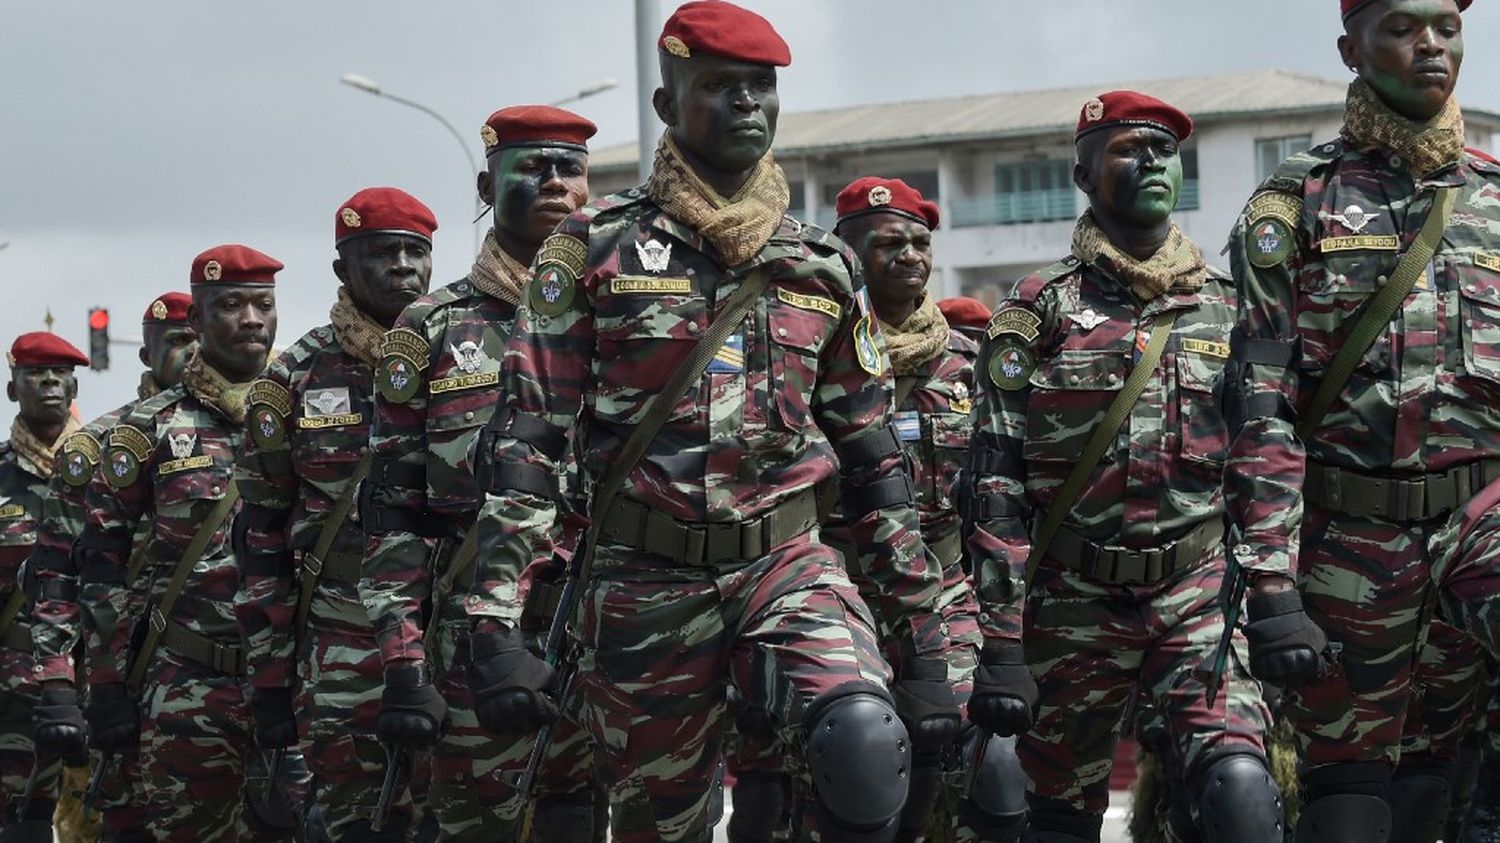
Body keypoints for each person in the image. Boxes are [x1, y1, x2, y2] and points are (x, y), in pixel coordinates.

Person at [470, 4, 958, 841]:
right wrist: (492, 617)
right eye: (720, 86)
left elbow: (875, 463)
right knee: (668, 825)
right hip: (642, 582)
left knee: (865, 744)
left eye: (760, 88)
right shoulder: (593, 251)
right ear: (667, 108)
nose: (746, 105)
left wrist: (924, 643)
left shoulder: (824, 264)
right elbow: (527, 444)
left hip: (787, 565)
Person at [965, 91, 1282, 843]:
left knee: (1238, 790)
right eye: (1128, 149)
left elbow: (1265, 460)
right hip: (1071, 600)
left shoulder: (1228, 309)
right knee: (1057, 815)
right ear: (1083, 174)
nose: (1152, 163)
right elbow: (994, 481)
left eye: (1166, 151)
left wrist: (1275, 587)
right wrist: (1002, 639)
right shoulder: (1036, 310)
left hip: (1197, 593)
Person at [1218, 1, 1500, 839]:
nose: (1431, 47)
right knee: (1364, 803)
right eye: (1404, 28)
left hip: (1484, 519)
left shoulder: (1493, 199)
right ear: (1351, 48)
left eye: (1446, 29)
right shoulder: (1294, 205)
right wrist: (1270, 582)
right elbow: (1261, 409)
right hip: (1354, 541)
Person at [358, 106, 599, 841]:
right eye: (533, 167)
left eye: (570, 168)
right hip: (476, 643)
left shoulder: (627, 310)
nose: (556, 183)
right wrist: (403, 662)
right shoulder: (430, 330)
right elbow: (394, 514)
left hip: (615, 622)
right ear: (488, 183)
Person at [235, 188, 437, 841]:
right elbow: (260, 539)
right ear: (343, 269)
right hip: (343, 642)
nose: (403, 266)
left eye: (415, 252)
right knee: (361, 820)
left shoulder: (469, 347)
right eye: (382, 253)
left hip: (454, 629)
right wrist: (268, 678)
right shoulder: (292, 378)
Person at [78, 245, 281, 840]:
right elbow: (100, 565)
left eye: (263, 305)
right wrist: (107, 685)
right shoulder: (146, 430)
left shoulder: (302, 414)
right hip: (189, 684)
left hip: (295, 684)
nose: (250, 319)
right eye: (231, 305)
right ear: (196, 321)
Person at [29, 292, 196, 843]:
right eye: (175, 342)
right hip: (123, 682)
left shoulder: (258, 431)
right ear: (145, 355)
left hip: (226, 679)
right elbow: (56, 574)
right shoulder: (101, 445)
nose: (191, 352)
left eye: (196, 337)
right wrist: (59, 685)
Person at [0, 332, 88, 840]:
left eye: (59, 372)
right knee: (22, 827)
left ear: (74, 383)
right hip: (16, 695)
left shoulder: (103, 470)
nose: (49, 381)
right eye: (35, 373)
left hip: (101, 689)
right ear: (14, 388)